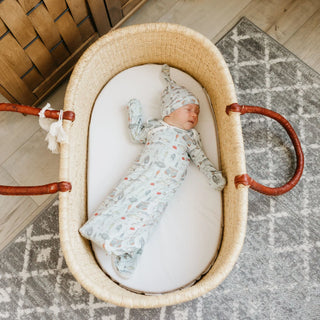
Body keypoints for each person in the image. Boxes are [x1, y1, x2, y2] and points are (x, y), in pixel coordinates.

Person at [79, 64, 226, 278]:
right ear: (170, 109)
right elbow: (137, 135)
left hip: (164, 186)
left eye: (197, 112)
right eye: (189, 109)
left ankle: (130, 250)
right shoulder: (155, 127)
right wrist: (135, 112)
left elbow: (200, 158)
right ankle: (103, 229)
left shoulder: (190, 137)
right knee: (124, 199)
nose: (194, 115)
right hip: (141, 175)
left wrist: (212, 173)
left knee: (148, 215)